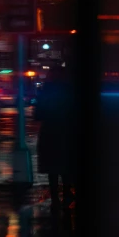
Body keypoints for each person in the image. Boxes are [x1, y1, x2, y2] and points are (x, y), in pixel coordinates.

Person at [34, 64, 75, 212]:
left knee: (52, 167)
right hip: (65, 131)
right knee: (65, 164)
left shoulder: (45, 91)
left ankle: (55, 198)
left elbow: (37, 114)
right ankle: (66, 193)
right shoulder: (69, 90)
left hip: (49, 131)